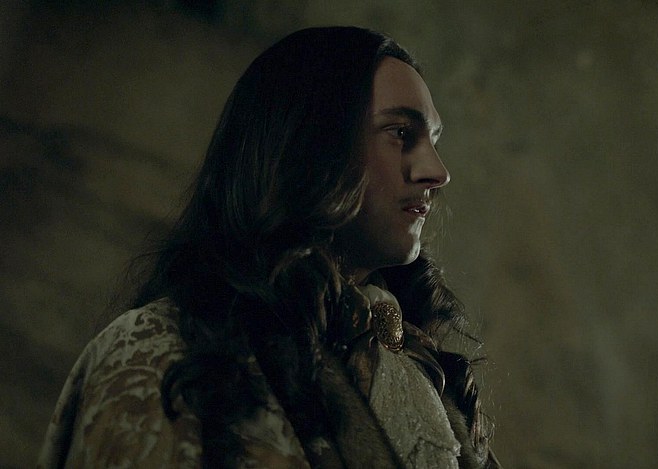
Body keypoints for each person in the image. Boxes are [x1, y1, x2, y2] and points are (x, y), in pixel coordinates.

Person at [38, 26, 499, 468]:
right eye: (401, 133)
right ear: (310, 147)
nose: (437, 172)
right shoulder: (161, 353)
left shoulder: (423, 375)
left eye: (433, 140)